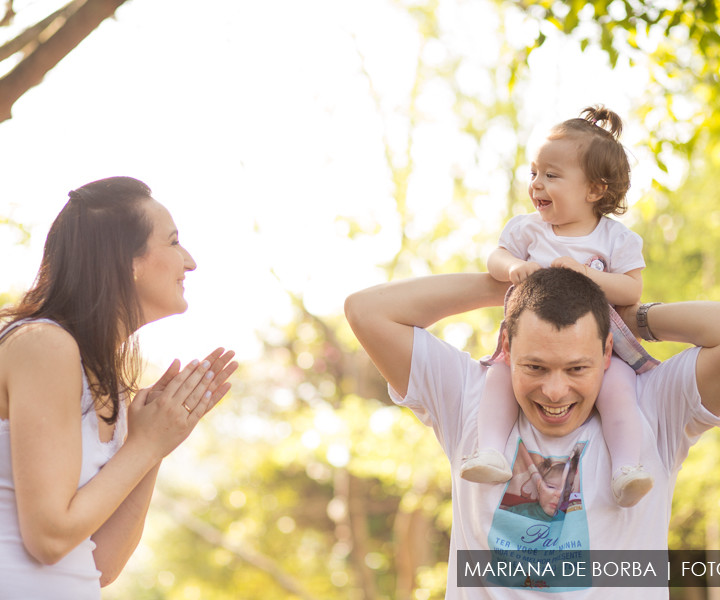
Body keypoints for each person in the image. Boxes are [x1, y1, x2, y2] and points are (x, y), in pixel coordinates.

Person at [345, 266, 720, 598]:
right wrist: (521, 287)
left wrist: (627, 319)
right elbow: (367, 310)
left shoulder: (655, 405)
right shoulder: (469, 398)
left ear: (607, 351)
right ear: (506, 346)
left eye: (577, 369)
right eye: (535, 367)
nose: (555, 391)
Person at [0, 177, 239, 599]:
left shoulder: (106, 378)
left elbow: (101, 564)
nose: (190, 261)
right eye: (173, 242)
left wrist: (159, 444)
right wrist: (143, 446)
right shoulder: (44, 344)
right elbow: (49, 540)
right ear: (128, 262)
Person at [459, 105, 654, 508]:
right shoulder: (527, 229)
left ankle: (626, 467)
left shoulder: (615, 239)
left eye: (551, 175)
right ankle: (491, 451)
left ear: (595, 189)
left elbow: (631, 290)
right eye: (534, 173)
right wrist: (514, 268)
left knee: (619, 389)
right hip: (530, 344)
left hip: (604, 348)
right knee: (498, 377)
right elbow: (494, 260)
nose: (536, 185)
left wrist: (588, 275)